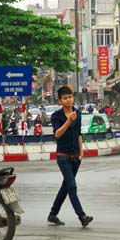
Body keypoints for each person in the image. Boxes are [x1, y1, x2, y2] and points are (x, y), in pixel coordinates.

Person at [48, 86, 94, 228]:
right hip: (63, 157)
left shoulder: (78, 114)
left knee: (66, 187)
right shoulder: (56, 116)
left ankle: (52, 214)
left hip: (75, 157)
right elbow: (57, 134)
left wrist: (81, 152)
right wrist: (68, 121)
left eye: (70, 97)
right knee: (72, 186)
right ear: (60, 101)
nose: (68, 100)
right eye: (65, 98)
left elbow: (79, 134)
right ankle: (82, 216)